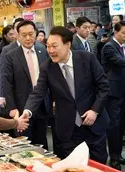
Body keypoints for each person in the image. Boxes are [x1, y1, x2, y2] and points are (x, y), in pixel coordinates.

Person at [21, 26, 110, 164]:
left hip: (93, 125)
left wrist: (95, 110)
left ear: (67, 44)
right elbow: (38, 92)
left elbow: (104, 87)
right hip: (68, 129)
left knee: (99, 167)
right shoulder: (47, 67)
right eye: (48, 46)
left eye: (54, 46)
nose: (50, 51)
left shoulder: (87, 59)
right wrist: (28, 111)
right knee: (72, 170)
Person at [1, 20, 49, 148]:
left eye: (31, 34)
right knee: (24, 144)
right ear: (17, 35)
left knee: (42, 142)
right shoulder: (10, 55)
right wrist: (11, 107)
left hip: (42, 103)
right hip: (21, 106)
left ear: (36, 34)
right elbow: (7, 83)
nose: (28, 38)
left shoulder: (42, 50)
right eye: (24, 35)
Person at [101, 21, 125, 170]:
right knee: (114, 125)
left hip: (123, 91)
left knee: (121, 125)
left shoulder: (122, 46)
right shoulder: (109, 47)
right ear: (115, 32)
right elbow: (120, 62)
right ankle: (114, 157)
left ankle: (119, 154)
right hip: (114, 93)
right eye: (123, 33)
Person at [0, 17, 24, 108]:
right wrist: (2, 95)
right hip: (16, 93)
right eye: (18, 28)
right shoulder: (7, 50)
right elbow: (3, 74)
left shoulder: (39, 48)